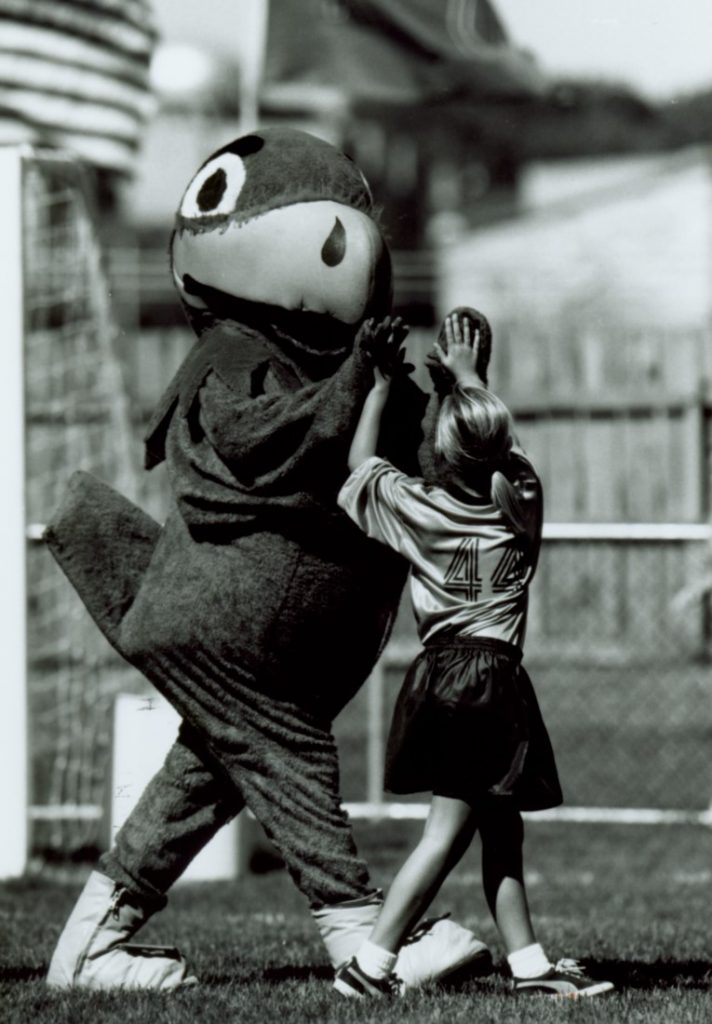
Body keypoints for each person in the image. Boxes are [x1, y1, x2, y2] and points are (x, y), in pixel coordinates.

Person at [333, 310, 614, 999]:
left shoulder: (421, 509)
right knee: (449, 834)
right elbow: (508, 457)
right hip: (491, 681)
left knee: (499, 829)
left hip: (444, 674)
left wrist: (377, 388)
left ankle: (529, 968)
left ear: (440, 453)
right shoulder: (521, 505)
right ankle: (369, 968)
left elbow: (359, 467)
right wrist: (471, 377)